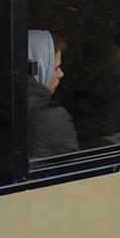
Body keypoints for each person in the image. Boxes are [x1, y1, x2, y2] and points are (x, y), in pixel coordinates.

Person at [26, 29, 79, 158]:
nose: (61, 74)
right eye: (55, 68)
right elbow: (73, 166)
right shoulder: (54, 119)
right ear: (38, 70)